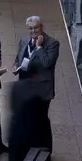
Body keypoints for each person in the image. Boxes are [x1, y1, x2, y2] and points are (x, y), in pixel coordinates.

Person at [14, 15, 60, 150]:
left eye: (36, 27)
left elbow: (47, 63)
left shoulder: (52, 43)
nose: (33, 31)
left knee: (41, 120)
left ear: (41, 27)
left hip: (42, 89)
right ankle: (30, 146)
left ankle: (45, 150)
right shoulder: (24, 41)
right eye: (30, 28)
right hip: (26, 86)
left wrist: (39, 48)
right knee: (27, 118)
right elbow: (19, 58)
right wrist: (15, 66)